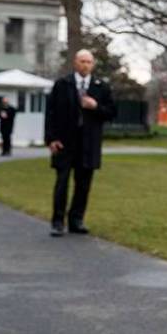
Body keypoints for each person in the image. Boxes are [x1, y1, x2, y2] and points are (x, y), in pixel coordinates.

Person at [44, 49, 116, 236]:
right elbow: (50, 113)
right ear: (75, 63)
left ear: (93, 65)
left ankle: (76, 219)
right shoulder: (63, 84)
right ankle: (58, 221)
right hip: (65, 142)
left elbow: (111, 113)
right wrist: (51, 138)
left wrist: (96, 106)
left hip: (89, 143)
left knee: (83, 184)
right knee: (62, 183)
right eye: (82, 61)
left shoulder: (101, 87)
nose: (85, 65)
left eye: (89, 62)